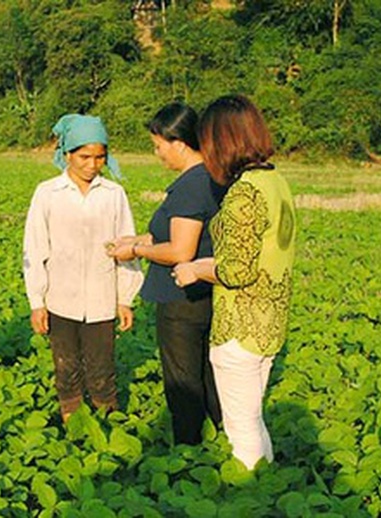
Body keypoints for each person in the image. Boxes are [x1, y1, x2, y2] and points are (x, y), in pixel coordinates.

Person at [173, 94, 295, 470]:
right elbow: (257, 256)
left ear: (220, 143)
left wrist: (195, 270)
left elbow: (236, 272)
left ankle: (250, 491)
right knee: (253, 421)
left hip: (240, 327)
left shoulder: (244, 193)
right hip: (270, 321)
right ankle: (268, 485)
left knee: (241, 430)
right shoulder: (275, 182)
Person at [106, 102, 226, 445]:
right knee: (208, 373)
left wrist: (135, 251)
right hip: (205, 294)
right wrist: (139, 239)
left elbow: (179, 251)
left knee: (183, 380)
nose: (157, 154)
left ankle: (189, 449)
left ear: (179, 143)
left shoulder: (190, 186)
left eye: (158, 146)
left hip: (181, 300)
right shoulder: (213, 177)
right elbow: (183, 236)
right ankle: (220, 439)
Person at [23, 114, 144, 422]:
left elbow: (126, 247)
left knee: (102, 368)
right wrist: (37, 302)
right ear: (67, 155)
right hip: (60, 299)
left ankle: (107, 422)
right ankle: (73, 423)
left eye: (100, 157)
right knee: (66, 367)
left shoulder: (113, 194)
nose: (92, 165)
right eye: (84, 157)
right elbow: (35, 250)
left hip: (102, 299)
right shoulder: (47, 193)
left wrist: (125, 298)